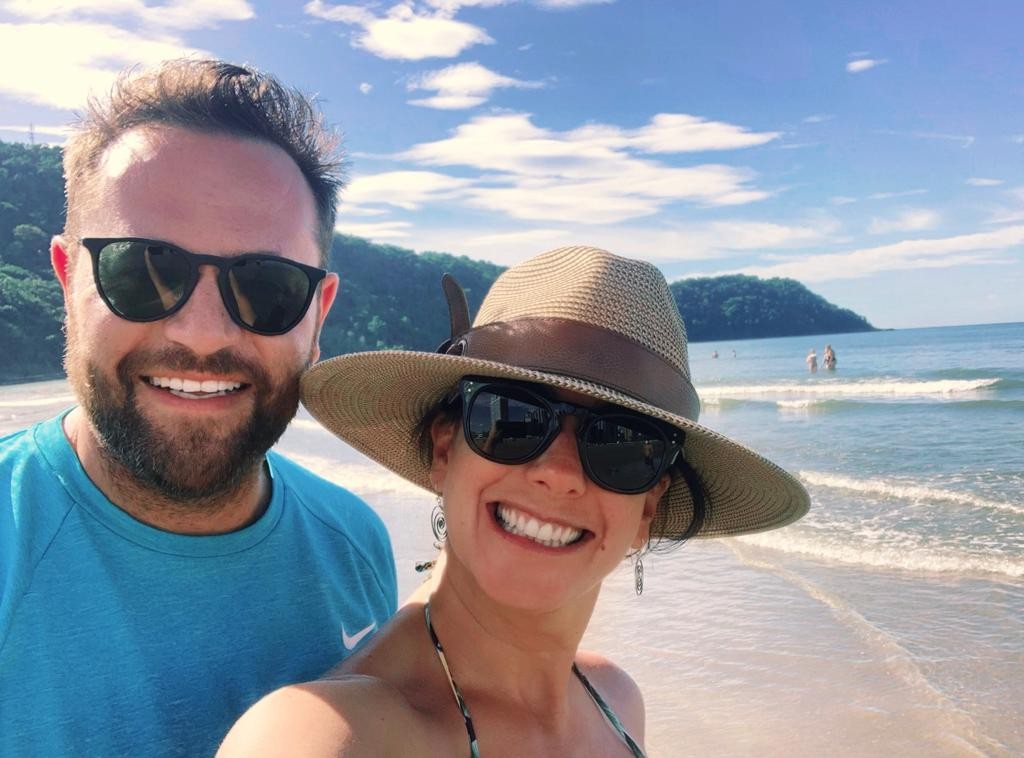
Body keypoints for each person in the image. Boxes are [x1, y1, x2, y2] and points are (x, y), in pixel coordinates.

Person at [220, 245, 810, 756]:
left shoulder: (617, 702)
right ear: (445, 448)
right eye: (514, 417)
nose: (558, 473)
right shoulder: (327, 736)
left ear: (647, 510)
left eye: (624, 446)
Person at [0, 60, 397, 757]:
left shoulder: (357, 544)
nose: (203, 333)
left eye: (268, 286)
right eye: (144, 270)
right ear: (67, 279)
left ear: (319, 311)